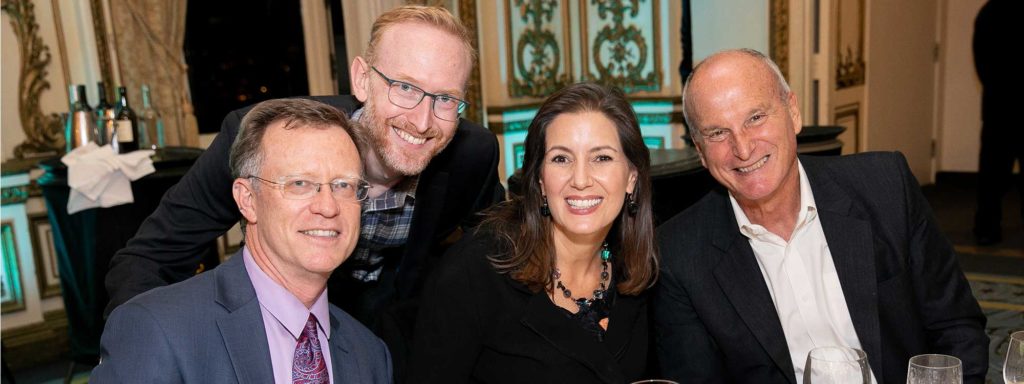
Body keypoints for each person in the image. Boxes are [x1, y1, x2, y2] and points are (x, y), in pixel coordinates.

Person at [105, 6, 500, 333]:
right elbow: (148, 260)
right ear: (363, 79)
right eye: (406, 88)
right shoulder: (264, 138)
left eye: (446, 99)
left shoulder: (470, 154)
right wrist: (142, 350)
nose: (422, 120)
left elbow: (498, 252)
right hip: (274, 320)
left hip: (394, 330)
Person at [654, 49, 988, 384]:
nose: (742, 148)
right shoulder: (679, 254)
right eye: (717, 133)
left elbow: (956, 327)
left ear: (793, 112)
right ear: (700, 151)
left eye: (755, 118)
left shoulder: (885, 188)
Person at [91, 99, 392, 383]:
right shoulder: (158, 330)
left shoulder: (371, 355)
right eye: (300, 184)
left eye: (343, 185)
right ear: (247, 199)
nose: (328, 206)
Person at [408, 83, 658, 383]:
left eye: (601, 158)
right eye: (561, 159)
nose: (580, 180)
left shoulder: (640, 273)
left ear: (631, 177)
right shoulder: (472, 274)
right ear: (540, 180)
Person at [972, 0, 1022, 246]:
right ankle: (986, 226)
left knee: (992, 172)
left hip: (998, 105)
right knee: (993, 173)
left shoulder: (988, 13)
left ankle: (986, 229)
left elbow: (981, 61)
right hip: (1003, 105)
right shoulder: (989, 13)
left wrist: (996, 88)